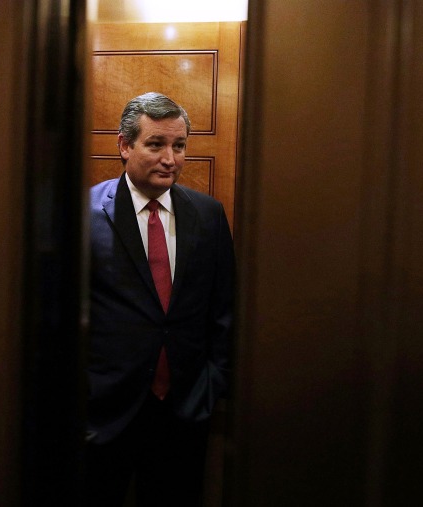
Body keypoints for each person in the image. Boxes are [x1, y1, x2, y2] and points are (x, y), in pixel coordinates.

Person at [85, 92, 235, 506]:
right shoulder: (83, 214)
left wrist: (213, 384)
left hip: (185, 409)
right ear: (124, 145)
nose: (170, 158)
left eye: (179, 145)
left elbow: (224, 309)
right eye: (155, 145)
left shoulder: (208, 215)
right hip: (104, 410)